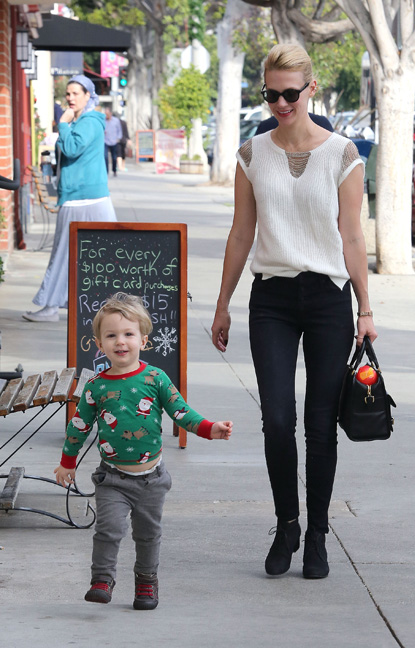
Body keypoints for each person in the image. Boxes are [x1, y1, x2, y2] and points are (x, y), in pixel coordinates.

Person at [211, 44, 377, 580]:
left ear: (311, 88)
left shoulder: (343, 154)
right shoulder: (252, 154)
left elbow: (353, 236)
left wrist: (365, 308)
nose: (281, 103)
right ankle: (287, 524)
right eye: (271, 93)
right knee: (278, 419)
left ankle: (318, 535)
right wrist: (223, 304)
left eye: (290, 92)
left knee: (319, 424)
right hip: (273, 299)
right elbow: (242, 232)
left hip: (329, 299)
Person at [54, 292, 233, 610]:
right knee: (109, 529)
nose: (120, 342)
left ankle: (146, 581)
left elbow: (181, 412)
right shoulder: (96, 386)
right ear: (99, 343)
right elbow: (79, 426)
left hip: (151, 479)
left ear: (143, 339)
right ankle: (102, 579)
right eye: (111, 335)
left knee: (148, 534)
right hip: (112, 478)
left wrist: (209, 429)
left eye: (128, 334)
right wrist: (67, 463)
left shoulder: (155, 378)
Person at [23, 75, 117, 323]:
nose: (70, 98)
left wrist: (62, 124)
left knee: (69, 254)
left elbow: (73, 148)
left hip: (84, 200)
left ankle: (52, 307)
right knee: (84, 255)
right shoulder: (84, 121)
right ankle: (58, 305)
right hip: (83, 198)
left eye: (76, 93)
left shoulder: (88, 121)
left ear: (88, 96)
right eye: (68, 93)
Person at [256, 112, 333, 135]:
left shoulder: (322, 123)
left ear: (312, 89)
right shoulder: (265, 126)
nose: (281, 103)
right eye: (273, 94)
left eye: (291, 94)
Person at [104, 108, 123, 177]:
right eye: (105, 114)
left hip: (114, 141)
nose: (106, 116)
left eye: (107, 114)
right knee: (105, 156)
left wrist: (118, 138)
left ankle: (114, 170)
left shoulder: (116, 121)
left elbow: (119, 130)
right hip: (105, 141)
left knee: (114, 157)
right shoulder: (103, 121)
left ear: (110, 114)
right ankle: (106, 171)